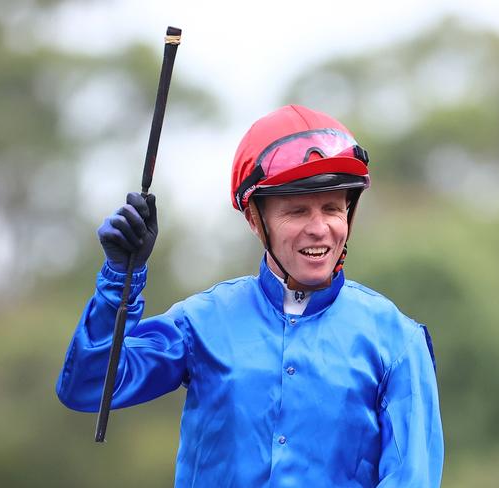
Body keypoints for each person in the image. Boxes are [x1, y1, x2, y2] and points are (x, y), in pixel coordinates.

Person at [56, 105, 444, 487]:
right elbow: (87, 387)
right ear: (255, 219)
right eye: (297, 211)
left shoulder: (398, 341)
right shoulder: (202, 321)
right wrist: (120, 278)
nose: (320, 228)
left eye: (331, 208)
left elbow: (413, 478)